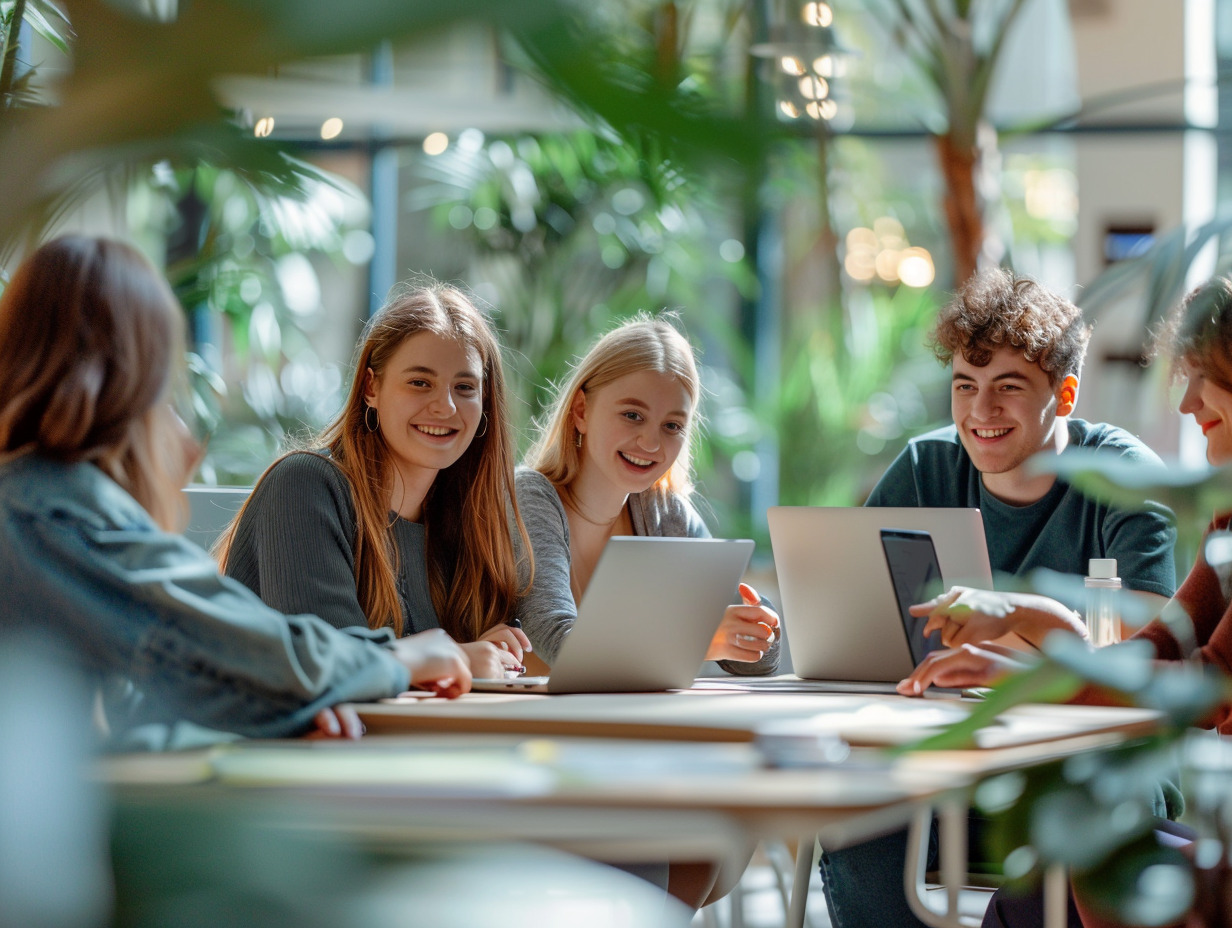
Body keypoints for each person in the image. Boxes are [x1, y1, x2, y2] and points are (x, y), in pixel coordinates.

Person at [0, 235, 472, 748]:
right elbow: (240, 647)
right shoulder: (53, 510)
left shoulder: (34, 501)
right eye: (165, 387)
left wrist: (282, 715)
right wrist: (399, 659)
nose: (184, 437)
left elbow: (144, 704)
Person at [820, 268, 1179, 928]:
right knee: (854, 817)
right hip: (945, 770)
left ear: (1064, 395)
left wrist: (1014, 626)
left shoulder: (1125, 480)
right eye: (965, 387)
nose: (979, 412)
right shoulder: (926, 468)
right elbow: (855, 633)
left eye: (1007, 389)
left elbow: (1139, 669)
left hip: (1081, 768)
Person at [895, 277, 1232, 928]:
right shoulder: (1229, 524)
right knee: (1037, 885)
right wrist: (1040, 643)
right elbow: (1159, 649)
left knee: (1086, 847)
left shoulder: (1126, 478)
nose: (1186, 401)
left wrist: (1037, 672)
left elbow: (1207, 684)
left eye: (1206, 377)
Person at [216, 282, 530, 680]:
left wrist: (489, 651)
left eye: (465, 387)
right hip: (281, 742)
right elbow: (326, 664)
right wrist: (458, 659)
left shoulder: (466, 520)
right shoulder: (304, 485)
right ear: (371, 388)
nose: (446, 405)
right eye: (420, 382)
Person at [515, 314, 780, 676]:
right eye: (632, 415)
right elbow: (564, 647)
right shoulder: (530, 497)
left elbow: (757, 662)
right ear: (581, 411)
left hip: (627, 719)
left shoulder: (666, 513)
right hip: (526, 723)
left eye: (672, 426)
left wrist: (757, 621)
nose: (652, 443)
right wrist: (696, 638)